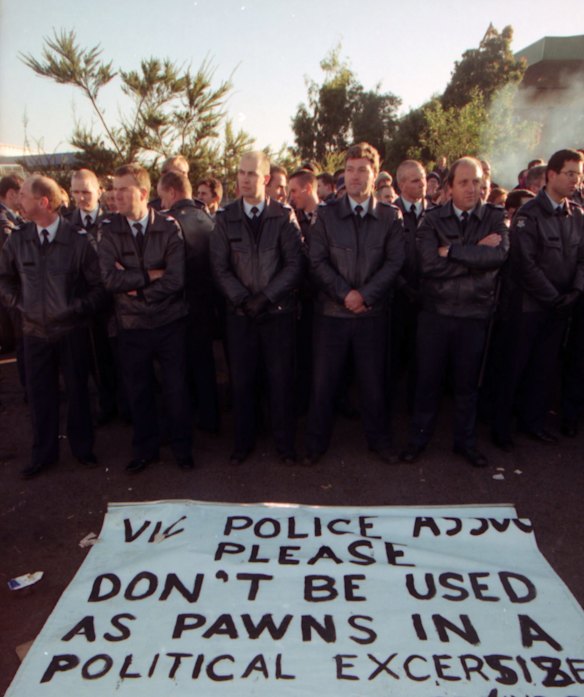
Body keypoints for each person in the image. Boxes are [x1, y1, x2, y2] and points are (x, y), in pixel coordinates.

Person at [401, 157, 509, 468]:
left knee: (466, 387)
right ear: (449, 188)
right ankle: (418, 440)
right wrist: (477, 252)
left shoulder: (494, 216)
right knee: (427, 382)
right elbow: (429, 265)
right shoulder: (433, 219)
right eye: (463, 182)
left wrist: (454, 251)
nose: (472, 188)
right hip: (436, 314)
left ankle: (466, 443)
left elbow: (498, 257)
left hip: (474, 316)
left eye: (476, 181)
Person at [304, 142, 405, 465]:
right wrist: (345, 293)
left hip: (372, 315)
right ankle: (316, 445)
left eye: (362, 169)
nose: (355, 176)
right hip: (332, 314)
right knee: (323, 385)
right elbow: (316, 261)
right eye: (349, 169)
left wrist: (366, 295)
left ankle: (380, 442)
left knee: (374, 385)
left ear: (375, 174)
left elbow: (394, 262)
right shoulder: (326, 213)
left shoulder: (390, 216)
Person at [0, 175, 105, 478]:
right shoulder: (18, 240)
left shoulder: (78, 240)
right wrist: (20, 305)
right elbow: (4, 279)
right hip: (33, 333)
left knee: (78, 393)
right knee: (39, 396)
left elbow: (98, 287)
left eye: (23, 195)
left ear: (43, 202)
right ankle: (43, 454)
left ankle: (83, 449)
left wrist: (75, 310)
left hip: (71, 332)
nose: (19, 200)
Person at [98, 164, 193, 472]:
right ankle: (145, 450)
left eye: (123, 189)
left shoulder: (169, 227)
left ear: (142, 192)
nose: (116, 196)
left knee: (176, 389)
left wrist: (138, 290)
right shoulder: (109, 229)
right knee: (138, 391)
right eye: (113, 189)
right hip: (132, 326)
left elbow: (176, 278)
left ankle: (181, 448)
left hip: (169, 323)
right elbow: (110, 280)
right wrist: (149, 275)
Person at [210, 151, 303, 464]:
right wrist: (243, 300)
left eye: (251, 174)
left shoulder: (284, 215)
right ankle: (243, 443)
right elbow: (219, 267)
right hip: (240, 316)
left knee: (281, 381)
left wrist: (266, 297)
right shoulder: (225, 217)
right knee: (243, 381)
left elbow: (293, 264)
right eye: (240, 173)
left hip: (277, 314)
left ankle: (285, 445)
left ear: (265, 179)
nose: (244, 179)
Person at [491, 149, 584, 450]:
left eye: (579, 175)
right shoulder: (528, 214)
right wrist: (554, 296)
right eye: (570, 173)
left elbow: (582, 259)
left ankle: (533, 422)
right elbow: (525, 263)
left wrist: (576, 292)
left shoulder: (577, 215)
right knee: (514, 367)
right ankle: (501, 428)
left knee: (544, 369)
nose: (576, 180)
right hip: (529, 307)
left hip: (560, 307)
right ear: (551, 175)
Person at [158, 170, 220, 433]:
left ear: (172, 193)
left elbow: (167, 270)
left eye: (162, 197)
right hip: (207, 306)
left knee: (178, 371)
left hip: (179, 307)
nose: (160, 204)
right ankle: (210, 420)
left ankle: (185, 424)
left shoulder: (168, 222)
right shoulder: (207, 218)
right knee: (205, 366)